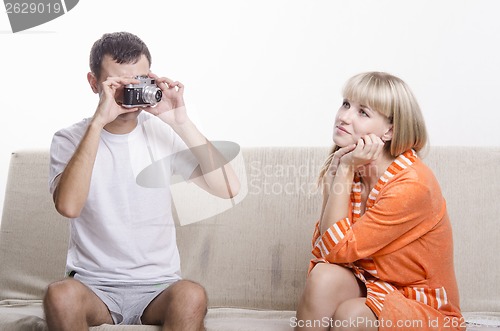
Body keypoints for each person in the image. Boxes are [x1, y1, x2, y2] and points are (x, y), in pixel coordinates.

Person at [44, 31, 240, 331]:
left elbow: (228, 188)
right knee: (59, 295)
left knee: (191, 295)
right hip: (94, 287)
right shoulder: (69, 139)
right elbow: (69, 206)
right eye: (117, 84)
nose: (129, 94)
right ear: (94, 83)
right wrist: (99, 121)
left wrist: (180, 122)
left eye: (138, 82)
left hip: (158, 287)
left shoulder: (160, 132)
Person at [294, 72, 464, 330]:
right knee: (323, 277)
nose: (344, 116)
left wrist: (344, 171)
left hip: (420, 304)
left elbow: (336, 248)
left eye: (363, 112)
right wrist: (340, 176)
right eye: (346, 103)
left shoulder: (412, 185)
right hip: (375, 287)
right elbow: (325, 253)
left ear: (390, 130)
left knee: (351, 316)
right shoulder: (353, 168)